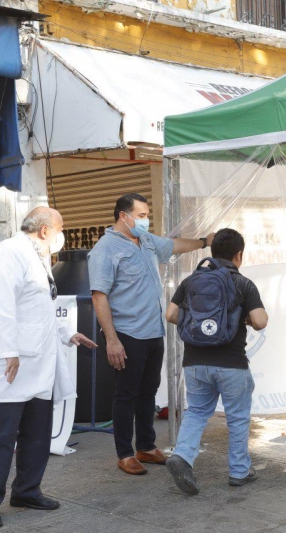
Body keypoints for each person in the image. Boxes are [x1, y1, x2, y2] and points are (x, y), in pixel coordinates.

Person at [0, 207, 96, 528]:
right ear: (44, 231)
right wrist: (9, 351)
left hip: (38, 366)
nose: (62, 233)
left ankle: (26, 490)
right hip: (9, 364)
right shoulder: (7, 253)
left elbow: (40, 310)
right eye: (60, 227)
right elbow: (1, 305)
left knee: (37, 434)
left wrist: (69, 333)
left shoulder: (40, 259)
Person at [88, 193, 215, 475]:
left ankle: (145, 446)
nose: (146, 220)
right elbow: (99, 297)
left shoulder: (145, 241)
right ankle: (124, 453)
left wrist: (205, 242)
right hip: (127, 333)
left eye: (146, 215)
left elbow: (173, 246)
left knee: (148, 392)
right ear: (124, 215)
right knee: (126, 394)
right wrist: (112, 339)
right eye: (142, 215)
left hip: (152, 331)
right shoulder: (105, 249)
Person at [164, 228, 268, 495]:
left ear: (212, 252)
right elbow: (260, 321)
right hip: (231, 362)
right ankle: (239, 471)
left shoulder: (191, 281)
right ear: (239, 255)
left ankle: (183, 456)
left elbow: (171, 314)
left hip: (195, 361)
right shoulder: (242, 283)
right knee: (236, 417)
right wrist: (241, 318)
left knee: (197, 412)